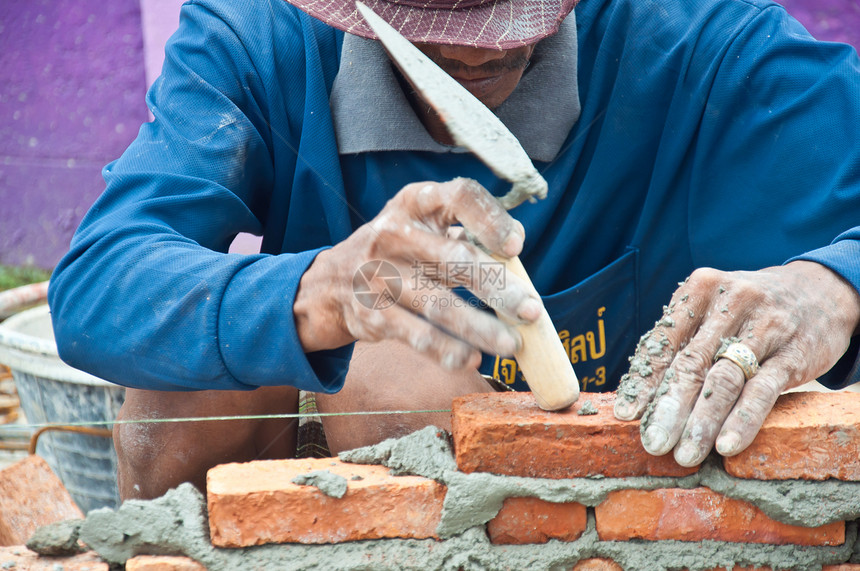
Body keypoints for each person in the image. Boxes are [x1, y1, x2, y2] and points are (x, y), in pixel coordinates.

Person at [47, 0, 860, 500]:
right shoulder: (260, 32)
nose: (484, 52)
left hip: (611, 516)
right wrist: (314, 293)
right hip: (349, 499)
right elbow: (99, 283)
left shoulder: (704, 46)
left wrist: (835, 283)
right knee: (299, 372)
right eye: (440, 28)